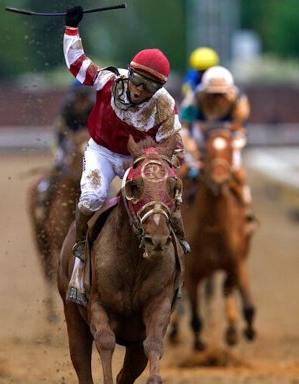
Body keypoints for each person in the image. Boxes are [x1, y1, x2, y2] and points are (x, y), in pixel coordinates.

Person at [62, 5, 190, 266]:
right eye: (137, 80)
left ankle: (176, 245)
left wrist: (159, 170)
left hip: (140, 160)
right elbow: (77, 64)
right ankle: (79, 245)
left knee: (159, 202)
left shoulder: (165, 106)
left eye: (149, 86)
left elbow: (175, 149)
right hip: (102, 152)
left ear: (159, 89)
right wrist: (72, 29)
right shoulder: (108, 80)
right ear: (128, 74)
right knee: (93, 197)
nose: (139, 90)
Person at [179, 65, 256, 223]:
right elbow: (185, 126)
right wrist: (193, 151)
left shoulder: (239, 99)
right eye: (213, 94)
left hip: (228, 136)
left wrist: (235, 145)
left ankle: (247, 206)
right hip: (201, 135)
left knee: (238, 172)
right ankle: (175, 207)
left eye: (221, 94)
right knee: (184, 171)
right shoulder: (194, 97)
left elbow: (241, 128)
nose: (218, 99)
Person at [37, 80, 94, 206]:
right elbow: (61, 125)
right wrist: (72, 136)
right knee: (59, 163)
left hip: (86, 140)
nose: (82, 98)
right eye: (80, 94)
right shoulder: (68, 105)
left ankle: (105, 192)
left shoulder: (93, 106)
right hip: (65, 140)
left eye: (84, 94)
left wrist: (87, 135)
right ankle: (45, 190)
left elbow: (97, 125)